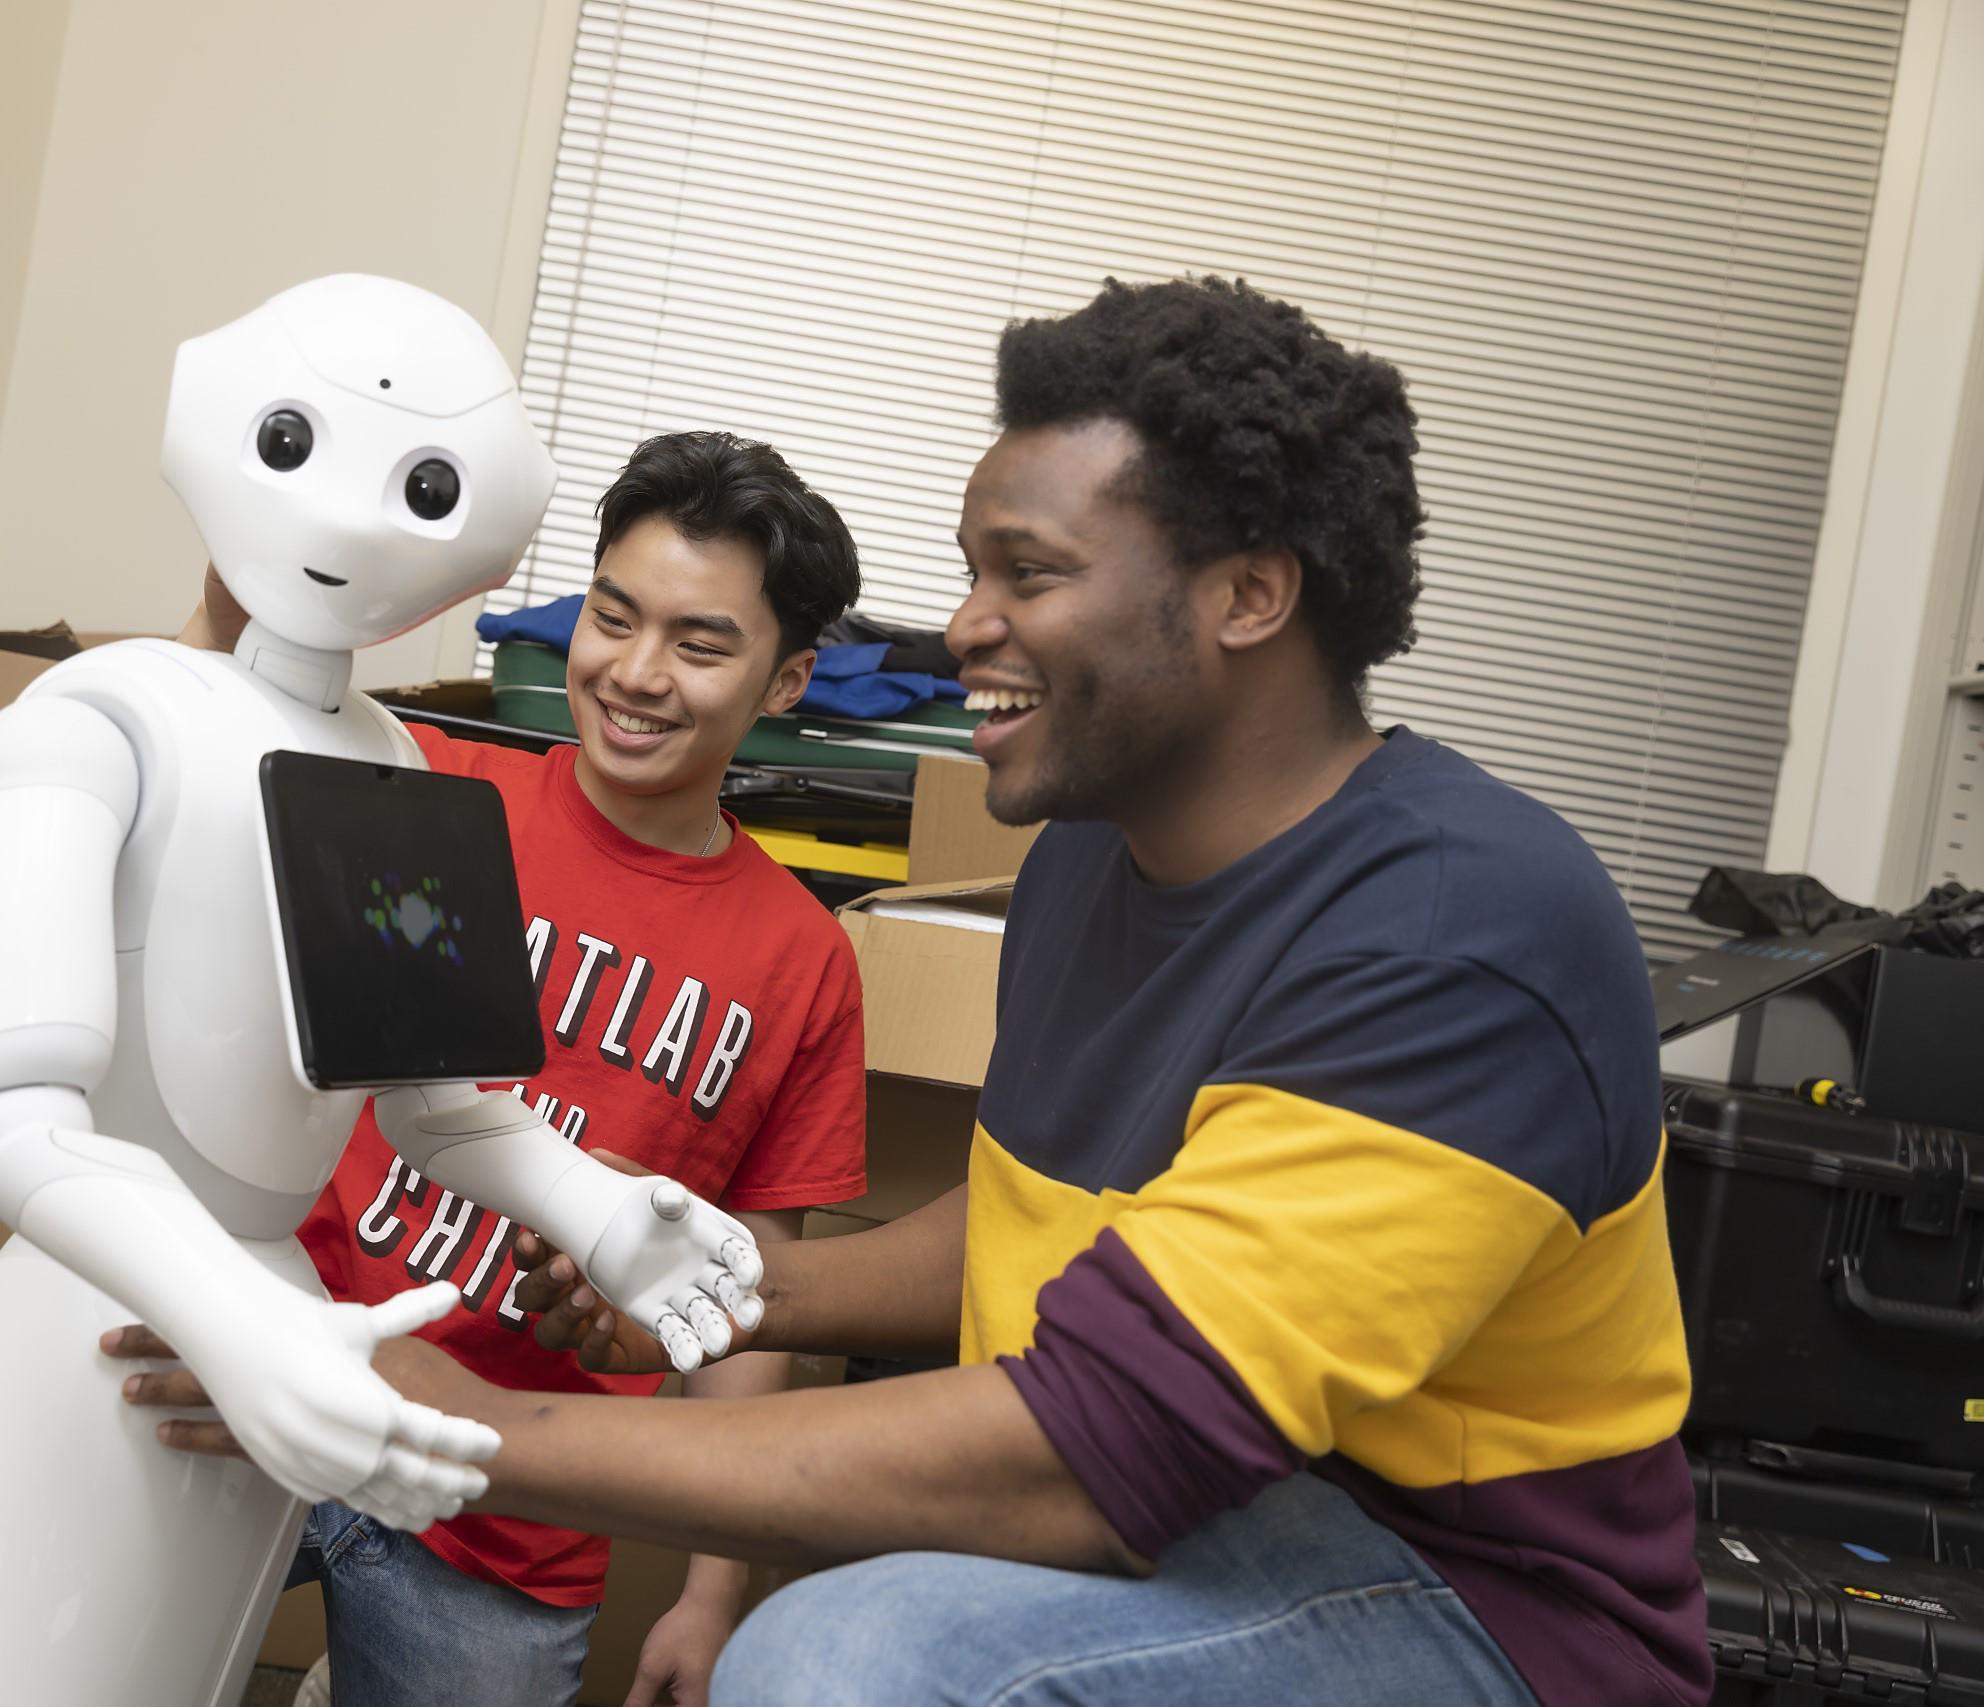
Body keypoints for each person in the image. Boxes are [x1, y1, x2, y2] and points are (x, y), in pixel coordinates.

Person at [129, 276, 1710, 1706]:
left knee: (841, 1662)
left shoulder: (1458, 931)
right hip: (1228, 1494)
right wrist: (736, 1280)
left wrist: (429, 1416)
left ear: (1248, 594)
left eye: (1027, 571)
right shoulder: (1095, 852)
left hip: (1474, 1602)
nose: (960, 628)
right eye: (971, 570)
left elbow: (1091, 1452)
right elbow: (1052, 1215)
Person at [122, 430, 872, 1707]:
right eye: (612, 616)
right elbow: (178, 758)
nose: (635, 674)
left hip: (507, 1501)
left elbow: (751, 1294)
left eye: (699, 644)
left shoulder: (804, 962)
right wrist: (221, 605)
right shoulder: (425, 785)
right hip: (276, 1368)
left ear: (788, 678)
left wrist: (708, 1598)